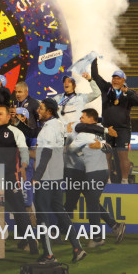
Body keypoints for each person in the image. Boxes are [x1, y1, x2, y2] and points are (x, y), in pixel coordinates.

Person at [32, 98, 86, 263]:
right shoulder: (58, 124)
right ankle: (77, 247)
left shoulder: (49, 128)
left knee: (42, 216)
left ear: (49, 111)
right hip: (56, 177)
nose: (38, 111)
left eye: (41, 108)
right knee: (61, 213)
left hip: (46, 178)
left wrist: (37, 176)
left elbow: (46, 153)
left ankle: (48, 255)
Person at [65, 109, 125, 247]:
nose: (80, 119)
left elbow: (70, 150)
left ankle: (97, 238)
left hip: (94, 173)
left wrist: (67, 141)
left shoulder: (84, 134)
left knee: (92, 205)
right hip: (101, 172)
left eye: (83, 117)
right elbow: (108, 147)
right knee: (92, 202)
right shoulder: (97, 133)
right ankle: (114, 225)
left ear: (91, 119)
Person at [0, 104, 38, 256]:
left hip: (11, 176)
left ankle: (31, 242)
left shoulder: (16, 132)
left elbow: (23, 150)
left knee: (20, 210)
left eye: (0, 113)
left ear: (9, 117)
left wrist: (24, 164)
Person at [91, 60, 138, 183]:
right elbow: (95, 75)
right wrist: (94, 60)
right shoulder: (106, 89)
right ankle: (108, 180)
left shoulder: (129, 93)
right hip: (106, 128)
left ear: (123, 81)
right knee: (106, 156)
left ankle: (124, 181)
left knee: (122, 156)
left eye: (118, 78)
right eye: (114, 78)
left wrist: (129, 92)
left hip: (123, 129)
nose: (115, 80)